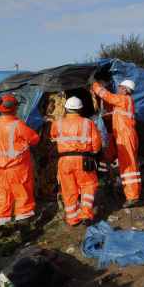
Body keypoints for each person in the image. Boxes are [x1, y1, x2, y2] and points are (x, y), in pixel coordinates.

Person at [0, 93, 40, 231]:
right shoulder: (17, 125)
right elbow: (34, 139)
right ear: (15, 107)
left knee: (1, 199)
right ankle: (24, 230)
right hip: (17, 170)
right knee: (23, 197)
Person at [51, 96, 102, 226]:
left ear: (66, 108)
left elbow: (53, 137)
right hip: (83, 159)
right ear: (80, 109)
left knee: (68, 190)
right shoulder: (88, 123)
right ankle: (85, 214)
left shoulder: (57, 123)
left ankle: (72, 219)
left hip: (64, 161)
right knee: (89, 185)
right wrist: (95, 152)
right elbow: (96, 144)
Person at [91, 79, 141, 208]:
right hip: (121, 135)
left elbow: (107, 96)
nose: (118, 88)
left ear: (125, 89)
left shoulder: (124, 99)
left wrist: (95, 85)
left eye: (120, 87)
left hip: (125, 135)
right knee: (116, 160)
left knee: (128, 166)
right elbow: (109, 104)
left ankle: (132, 196)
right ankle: (122, 187)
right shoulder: (122, 101)